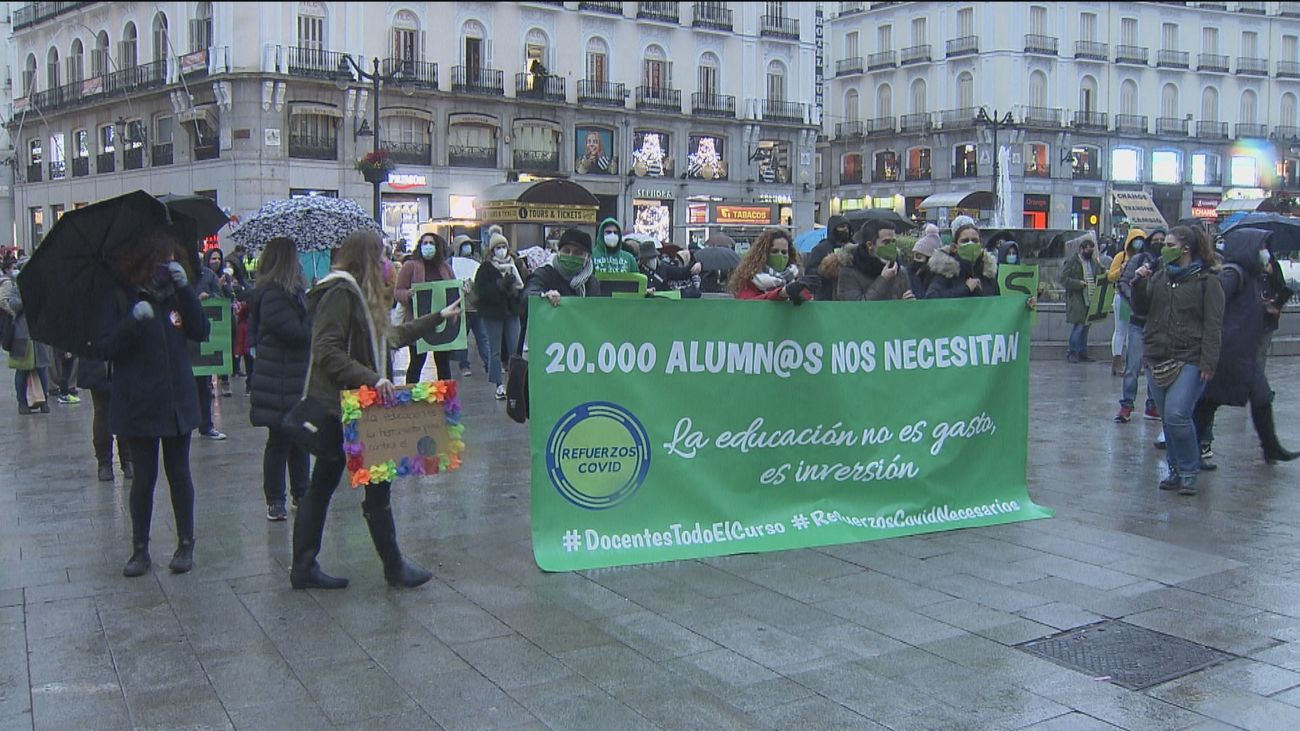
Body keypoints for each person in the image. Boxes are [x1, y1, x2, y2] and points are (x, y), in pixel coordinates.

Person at [292, 230, 462, 590]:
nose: (388, 263)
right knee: (363, 487)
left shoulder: (361, 295)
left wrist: (437, 317)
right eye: (382, 256)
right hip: (346, 407)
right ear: (367, 259)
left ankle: (307, 565)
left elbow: (391, 337)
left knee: (328, 485)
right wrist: (372, 378)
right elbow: (326, 350)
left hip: (356, 405)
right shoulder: (340, 292)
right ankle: (391, 566)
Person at [92, 227, 210, 576]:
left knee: (180, 472)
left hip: (177, 399)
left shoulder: (175, 295)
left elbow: (201, 330)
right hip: (139, 400)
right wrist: (132, 321)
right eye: (160, 263)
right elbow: (105, 348)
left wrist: (185, 288)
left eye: (172, 263)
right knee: (144, 477)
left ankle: (186, 544)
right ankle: (140, 549)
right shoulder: (119, 296)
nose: (166, 269)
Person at [1131, 225, 1224, 496]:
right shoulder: (1159, 277)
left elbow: (1214, 324)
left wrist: (1209, 360)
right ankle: (1174, 470)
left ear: (1186, 249)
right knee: (1168, 420)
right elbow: (1141, 309)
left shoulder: (1207, 281)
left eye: (1169, 243)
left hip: (1190, 357)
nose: (1163, 248)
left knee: (1177, 415)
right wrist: (1139, 284)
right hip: (1157, 356)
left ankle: (1189, 470)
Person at [1193, 229, 1297, 465]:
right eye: (1261, 247)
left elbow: (1239, 309)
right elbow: (1212, 303)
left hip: (1241, 352)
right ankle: (1189, 452)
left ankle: (1271, 447)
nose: (1265, 254)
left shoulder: (1250, 276)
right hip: (1228, 351)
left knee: (1259, 396)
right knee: (1208, 403)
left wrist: (1264, 309)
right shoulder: (1233, 274)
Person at [248, 237, 312, 522]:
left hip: (291, 378)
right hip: (278, 380)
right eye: (295, 256)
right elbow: (298, 333)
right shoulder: (273, 294)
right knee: (279, 441)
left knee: (297, 439)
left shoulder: (292, 292)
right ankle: (275, 499)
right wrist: (313, 310)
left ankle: (302, 493)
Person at [395, 227, 455, 384]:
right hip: (418, 323)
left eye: (431, 243)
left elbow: (453, 290)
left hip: (442, 325)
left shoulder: (445, 267)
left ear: (438, 246)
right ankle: (410, 399)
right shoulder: (410, 266)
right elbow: (398, 291)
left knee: (443, 364)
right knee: (416, 363)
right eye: (425, 243)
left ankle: (446, 401)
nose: (428, 246)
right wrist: (408, 294)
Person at [1114, 233, 1162, 423]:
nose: (1158, 243)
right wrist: (1133, 300)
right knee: (1133, 366)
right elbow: (1123, 282)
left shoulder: (1166, 264)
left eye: (1162, 240)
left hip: (1157, 323)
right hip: (1137, 321)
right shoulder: (1138, 260)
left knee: (1155, 367)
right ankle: (1126, 404)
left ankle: (1152, 405)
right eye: (1155, 240)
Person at [475, 230, 525, 400]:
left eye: (504, 247)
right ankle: (498, 384)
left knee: (514, 349)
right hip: (493, 314)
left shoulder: (514, 266)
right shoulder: (485, 268)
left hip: (512, 312)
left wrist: (513, 291)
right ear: (492, 250)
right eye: (498, 247)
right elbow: (481, 292)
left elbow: (522, 287)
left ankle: (514, 383)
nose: (501, 250)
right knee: (494, 350)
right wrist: (499, 286)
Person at [3, 258, 51, 415]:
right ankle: (22, 403)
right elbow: (13, 304)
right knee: (21, 371)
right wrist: (27, 299)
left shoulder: (42, 287)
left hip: (39, 334)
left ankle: (44, 401)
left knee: (42, 369)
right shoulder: (17, 287)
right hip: (21, 334)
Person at [194, 249, 232, 436]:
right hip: (186, 336)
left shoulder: (208, 275)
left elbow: (222, 299)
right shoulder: (179, 276)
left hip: (205, 335)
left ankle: (206, 424)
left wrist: (211, 297)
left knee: (204, 384)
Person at [78, 356, 133, 482]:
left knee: (123, 408)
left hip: (121, 356)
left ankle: (127, 458)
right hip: (98, 356)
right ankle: (105, 462)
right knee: (102, 410)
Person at [830, 220, 915, 301]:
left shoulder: (899, 271)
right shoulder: (849, 272)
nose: (892, 246)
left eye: (894, 242)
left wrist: (907, 304)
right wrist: (883, 280)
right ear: (870, 245)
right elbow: (856, 309)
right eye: (886, 242)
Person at [1107, 229, 1151, 376]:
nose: (1138, 243)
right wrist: (1121, 269)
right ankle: (1117, 362)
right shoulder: (1121, 256)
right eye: (1135, 240)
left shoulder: (1146, 257)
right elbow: (1110, 276)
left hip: (1138, 299)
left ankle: (1132, 363)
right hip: (1121, 297)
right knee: (1120, 330)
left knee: (1132, 332)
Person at [730, 228, 812, 303]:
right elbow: (748, 304)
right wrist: (781, 293)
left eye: (784, 252)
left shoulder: (796, 279)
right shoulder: (750, 279)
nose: (780, 256)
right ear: (763, 254)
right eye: (774, 251)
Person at [524, 228, 603, 305]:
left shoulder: (591, 283)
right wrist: (543, 296)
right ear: (558, 252)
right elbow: (527, 295)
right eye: (566, 251)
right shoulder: (545, 274)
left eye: (577, 253)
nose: (571, 255)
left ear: (588, 257)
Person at [450, 233, 491, 378]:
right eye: (463, 245)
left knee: (483, 337)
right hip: (462, 307)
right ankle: (464, 365)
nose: (467, 248)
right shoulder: (451, 263)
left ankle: (489, 364)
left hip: (476, 307)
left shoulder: (477, 262)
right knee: (462, 340)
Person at [1060, 232, 1102, 363]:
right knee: (1078, 326)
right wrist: (1078, 283)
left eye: (1092, 249)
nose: (1090, 252)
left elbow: (1100, 273)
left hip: (1090, 297)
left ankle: (1083, 352)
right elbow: (1064, 279)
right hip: (1077, 298)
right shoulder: (1072, 261)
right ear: (1081, 249)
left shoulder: (1093, 262)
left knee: (1086, 327)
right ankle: (1072, 352)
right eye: (1088, 249)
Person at [924, 218, 984, 299]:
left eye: (975, 241)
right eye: (965, 241)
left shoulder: (987, 271)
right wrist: (965, 289)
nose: (971, 244)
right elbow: (931, 297)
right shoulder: (947, 271)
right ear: (954, 247)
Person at [804, 215, 855, 301]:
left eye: (847, 227)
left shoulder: (855, 247)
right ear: (833, 228)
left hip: (850, 296)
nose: (845, 230)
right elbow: (810, 272)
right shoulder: (821, 248)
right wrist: (827, 269)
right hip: (827, 296)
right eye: (842, 227)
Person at [906, 227, 943, 299]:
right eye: (913, 256)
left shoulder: (942, 279)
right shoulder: (908, 274)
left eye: (918, 256)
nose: (914, 260)